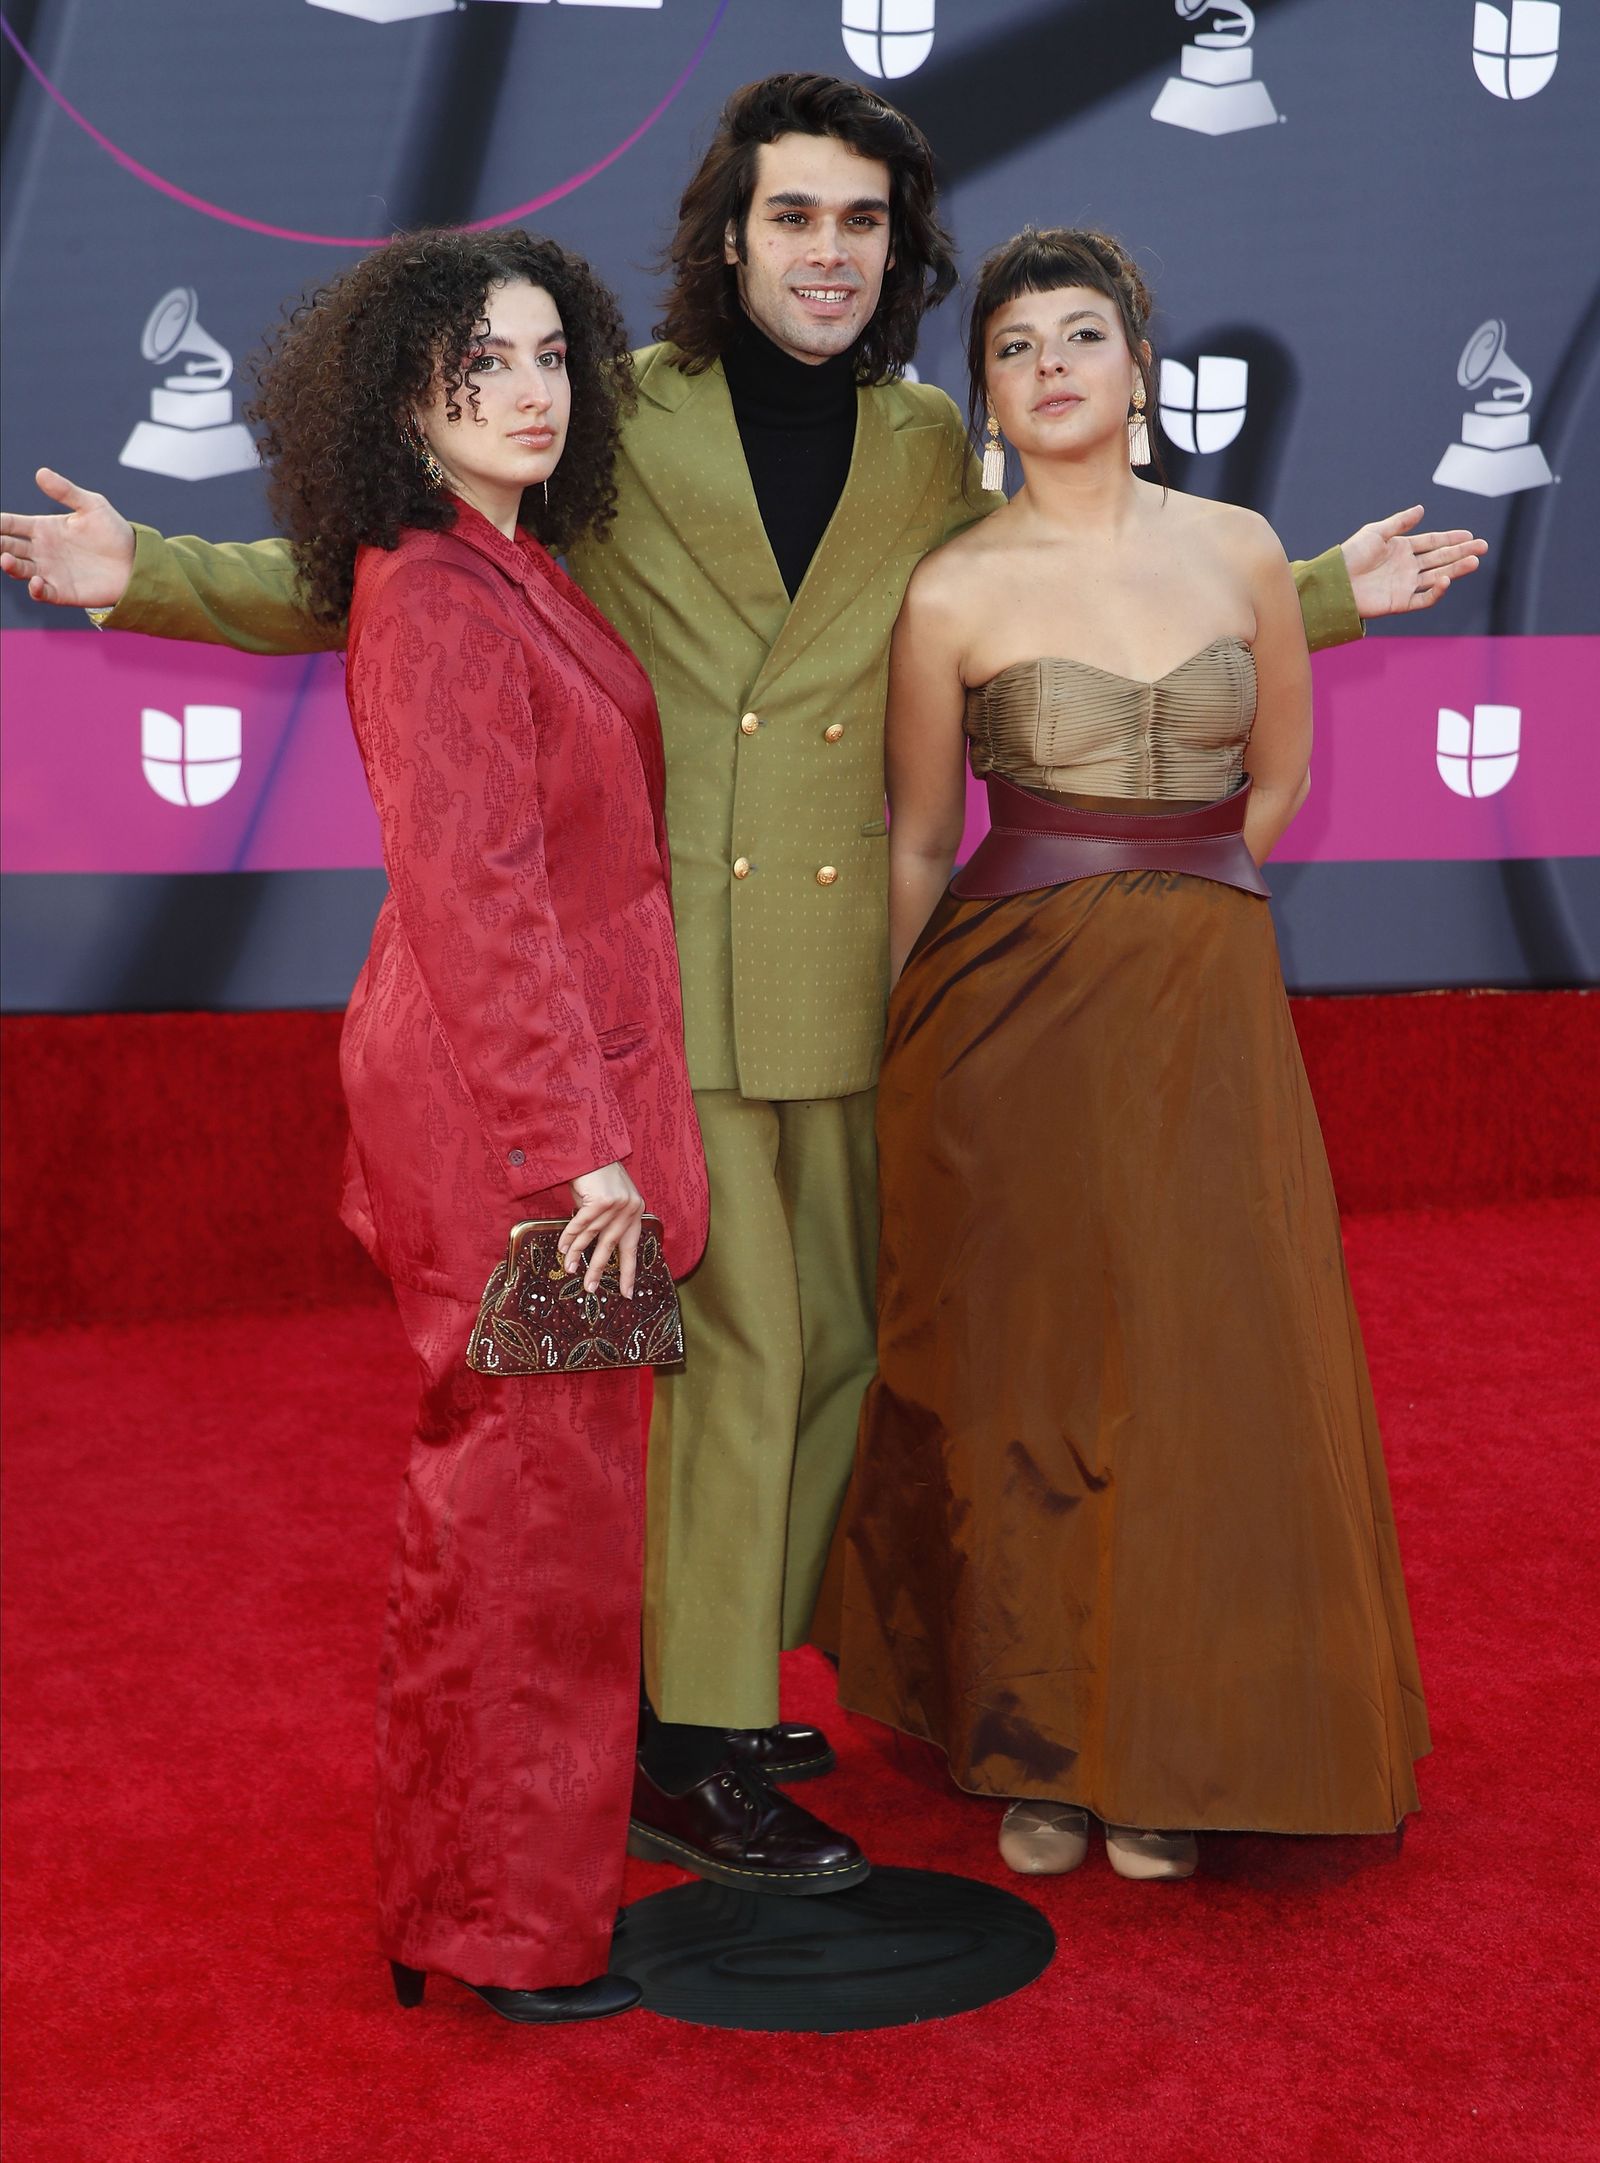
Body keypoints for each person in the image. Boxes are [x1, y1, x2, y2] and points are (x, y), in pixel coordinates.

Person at [0, 76, 1481, 1894]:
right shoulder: (614, 413)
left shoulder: (933, 438)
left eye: (864, 223)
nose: (830, 252)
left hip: (862, 971)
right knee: (748, 1351)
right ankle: (690, 1742)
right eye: (796, 217)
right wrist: (143, 570)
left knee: (849, 1351)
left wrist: (1317, 596)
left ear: (899, 249)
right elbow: (402, 562)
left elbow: (1079, 593)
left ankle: (706, 1674)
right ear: (728, 233)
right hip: (664, 964)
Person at [827, 227, 1430, 1883]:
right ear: (991, 398)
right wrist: (898, 1033)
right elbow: (916, 838)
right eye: (1013, 348)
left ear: (1139, 367)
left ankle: (1174, 1741)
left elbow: (1279, 778)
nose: (1049, 367)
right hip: (1006, 1015)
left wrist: (1189, 901)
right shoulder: (953, 585)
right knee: (1031, 1371)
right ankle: (1038, 1742)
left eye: (1079, 334)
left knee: (1209, 1359)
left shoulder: (1240, 548)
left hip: (1209, 994)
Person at [253, 226, 706, 2018]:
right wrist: (572, 1152)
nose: (526, 390)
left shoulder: (511, 566)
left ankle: (485, 1903)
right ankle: (497, 1930)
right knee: (529, 1527)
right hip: (522, 1137)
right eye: (476, 366)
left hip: (556, 1113)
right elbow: (478, 896)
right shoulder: (435, 593)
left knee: (544, 1511)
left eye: (544, 356)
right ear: (402, 401)